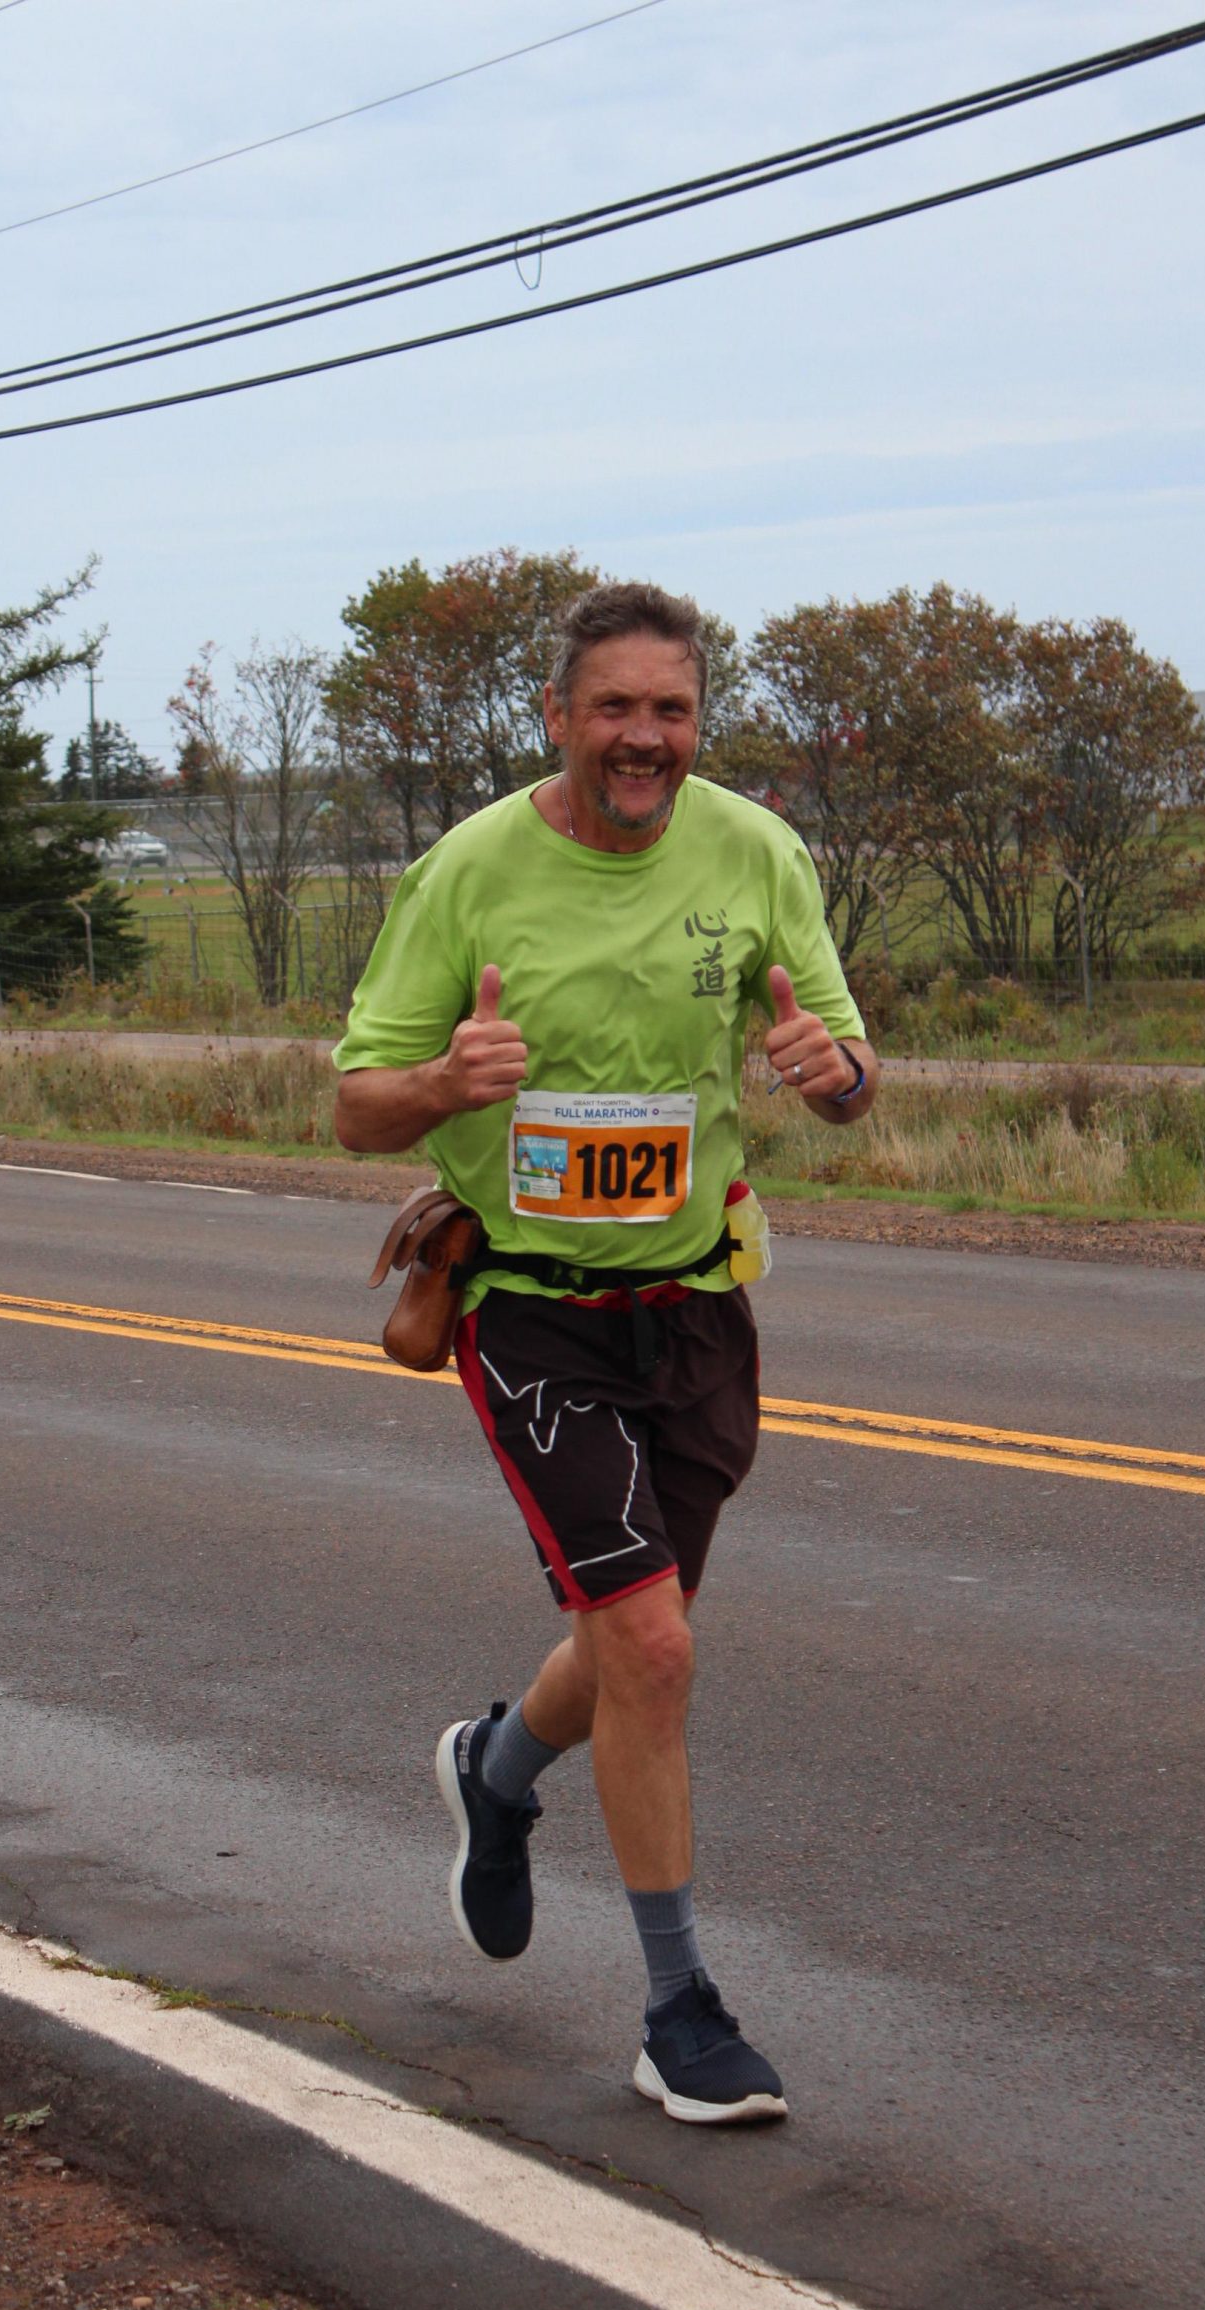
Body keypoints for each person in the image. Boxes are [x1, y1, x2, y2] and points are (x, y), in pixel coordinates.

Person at [333, 581, 878, 2125]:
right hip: (534, 1310)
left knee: (631, 1640)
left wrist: (832, 1074)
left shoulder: (757, 851)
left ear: (697, 725)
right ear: (559, 719)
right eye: (616, 709)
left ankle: (495, 1775)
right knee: (650, 1647)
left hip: (696, 1309)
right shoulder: (471, 872)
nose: (646, 739)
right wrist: (446, 1078)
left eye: (674, 712)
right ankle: (678, 2011)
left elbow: (849, 1076)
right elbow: (357, 1104)